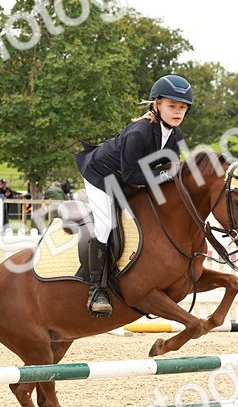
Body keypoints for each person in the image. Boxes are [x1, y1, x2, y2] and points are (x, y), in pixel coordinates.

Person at [74, 74, 190, 317]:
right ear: (156, 104)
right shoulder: (139, 132)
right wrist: (167, 174)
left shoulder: (175, 136)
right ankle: (96, 288)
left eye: (182, 107)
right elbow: (132, 176)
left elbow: (167, 167)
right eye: (172, 106)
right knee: (106, 224)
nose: (178, 112)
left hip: (128, 175)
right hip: (100, 174)